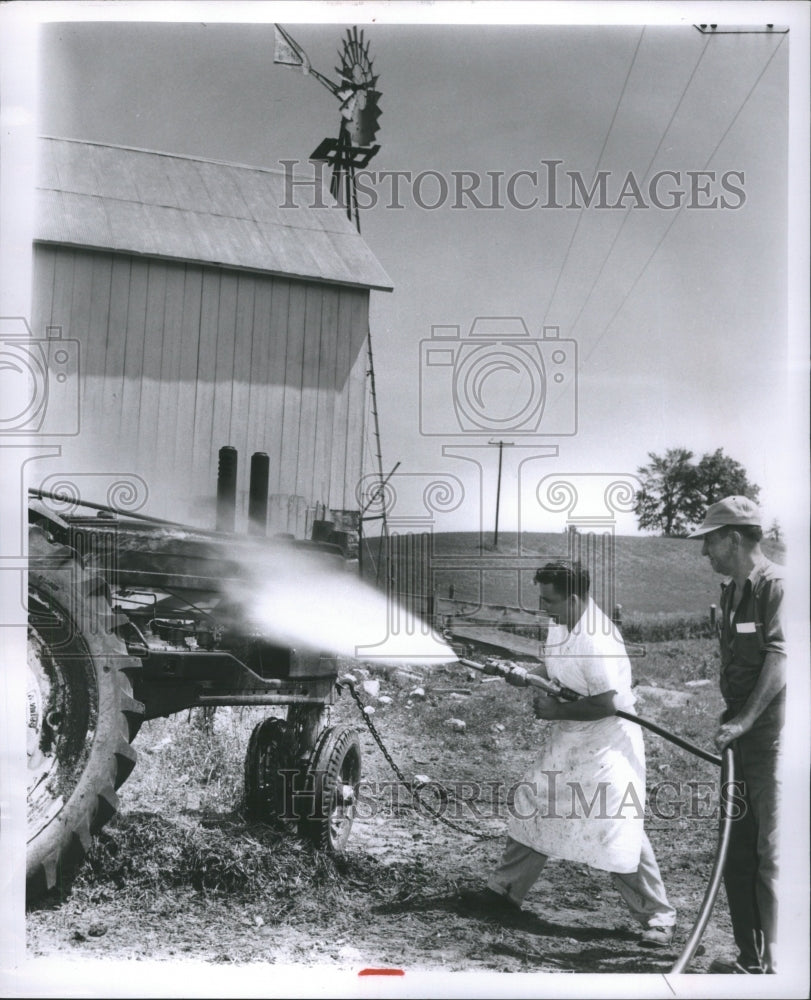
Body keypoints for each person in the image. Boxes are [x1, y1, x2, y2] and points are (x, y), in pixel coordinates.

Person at [463, 560, 676, 947]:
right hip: (574, 735)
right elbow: (556, 668)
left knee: (617, 823)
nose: (543, 607)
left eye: (549, 600)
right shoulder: (561, 623)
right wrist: (521, 672)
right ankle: (504, 890)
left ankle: (657, 917)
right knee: (536, 800)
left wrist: (556, 711)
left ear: (574, 598)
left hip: (607, 739)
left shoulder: (598, 638)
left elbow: (609, 703)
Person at [690, 496, 785, 974]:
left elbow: (780, 659)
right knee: (737, 850)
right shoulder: (732, 592)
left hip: (774, 739)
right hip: (742, 739)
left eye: (709, 540)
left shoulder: (779, 587)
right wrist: (736, 722)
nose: (705, 551)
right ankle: (751, 959)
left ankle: (782, 967)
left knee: (772, 853)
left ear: (733, 537)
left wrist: (745, 720)